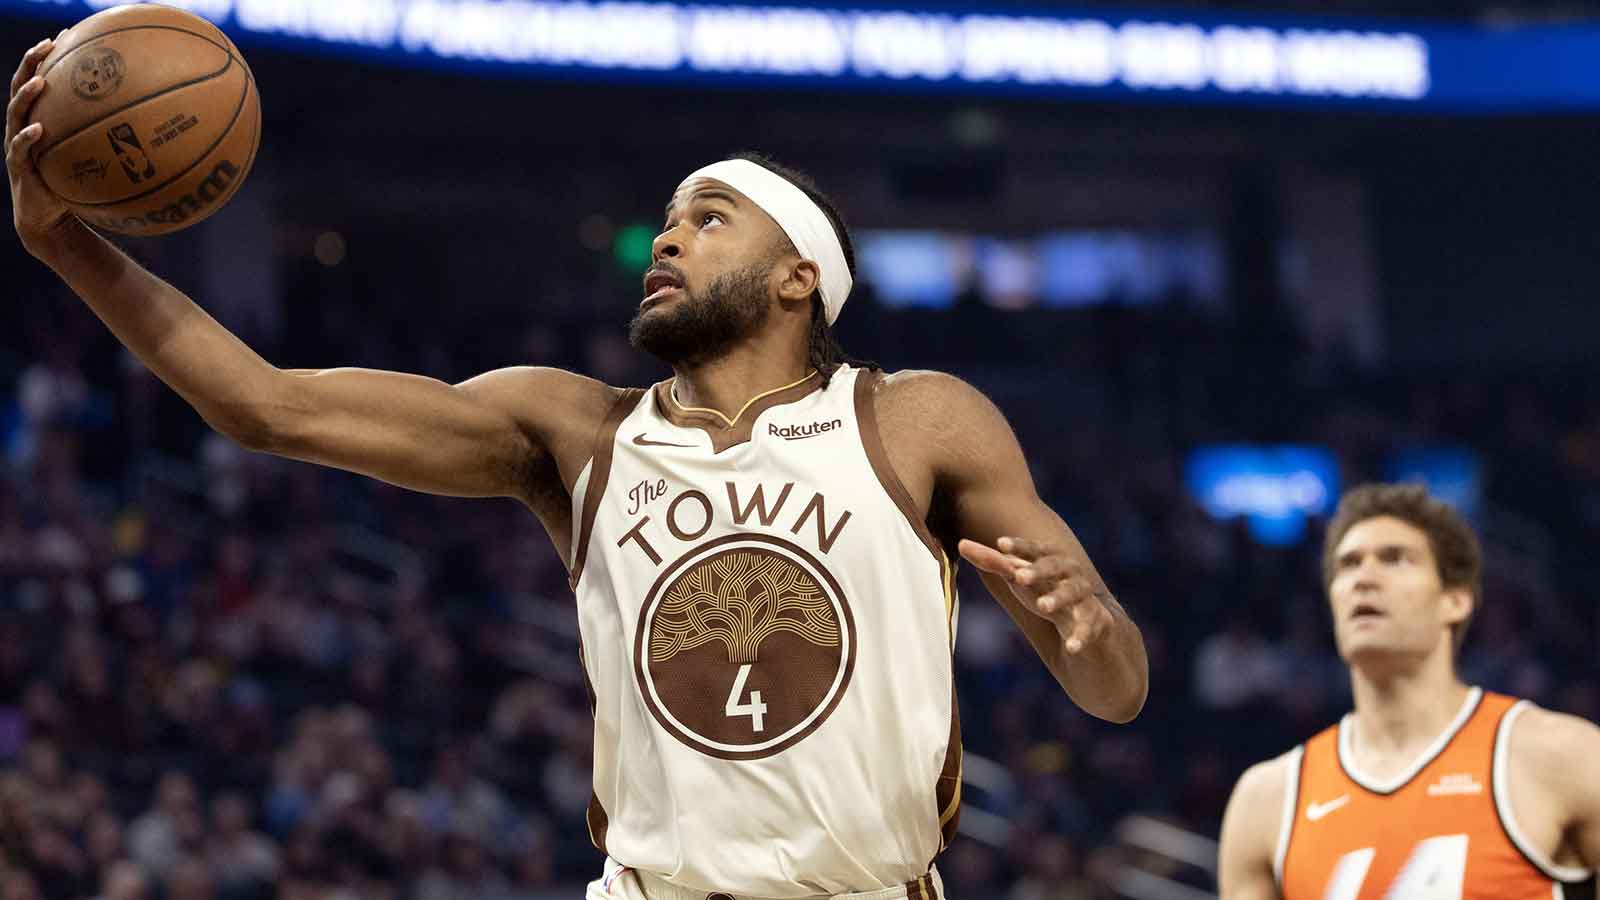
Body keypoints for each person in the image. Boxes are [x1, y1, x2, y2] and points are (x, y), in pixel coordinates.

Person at [7, 36, 1148, 900]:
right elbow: (269, 406)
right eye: (666, 220)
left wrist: (1091, 630)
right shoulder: (578, 430)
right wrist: (66, 244)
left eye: (707, 219)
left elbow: (1117, 693)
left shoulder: (918, 422)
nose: (665, 239)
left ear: (800, 278)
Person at [1217, 484, 1600, 899]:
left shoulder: (1561, 756)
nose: (1363, 578)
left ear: (1454, 600)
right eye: (1347, 566)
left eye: (1395, 559)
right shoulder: (1267, 800)